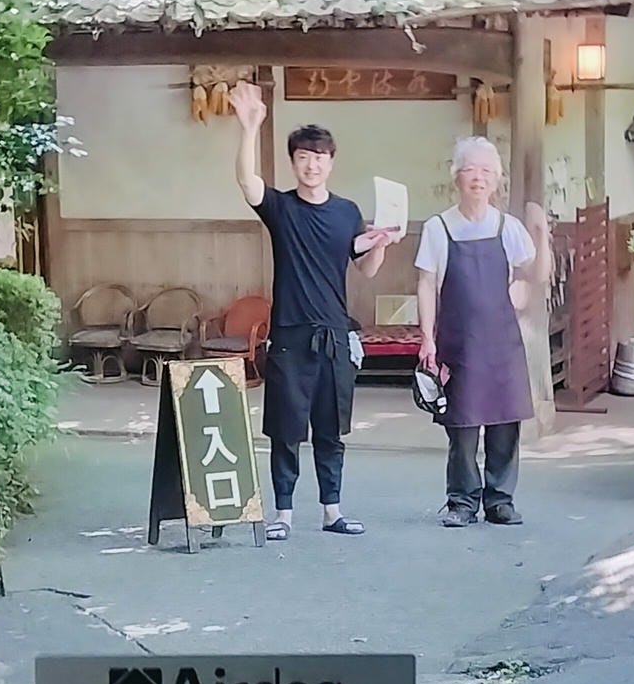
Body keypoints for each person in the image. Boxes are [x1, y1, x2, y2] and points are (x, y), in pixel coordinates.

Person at [230, 78, 398, 538]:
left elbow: (365, 270)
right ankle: (282, 515)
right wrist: (249, 127)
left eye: (319, 157)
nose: (311, 165)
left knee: (330, 430)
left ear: (330, 162)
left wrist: (381, 243)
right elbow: (247, 181)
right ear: (294, 162)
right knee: (285, 431)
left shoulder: (347, 212)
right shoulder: (281, 208)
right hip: (288, 338)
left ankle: (332, 511)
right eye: (303, 157)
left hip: (334, 338)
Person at [415, 136, 552, 527]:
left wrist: (541, 236)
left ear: (497, 182)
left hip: (503, 342)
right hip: (458, 344)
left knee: (505, 423)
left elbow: (536, 275)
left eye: (486, 172)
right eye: (470, 170)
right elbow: (426, 284)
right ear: (456, 177)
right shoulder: (438, 228)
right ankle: (461, 501)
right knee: (461, 425)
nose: (478, 178)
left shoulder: (508, 228)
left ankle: (500, 500)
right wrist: (427, 337)